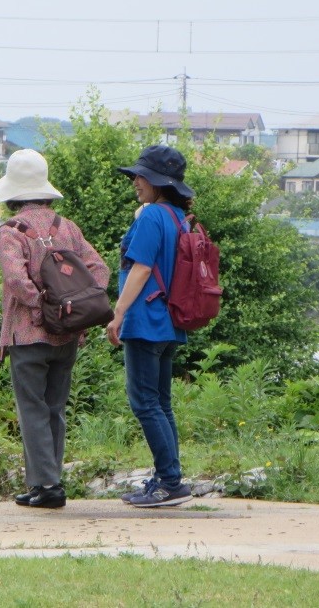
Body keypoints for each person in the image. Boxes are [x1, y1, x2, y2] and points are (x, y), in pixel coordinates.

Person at [0, 149, 110, 509]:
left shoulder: (12, 232)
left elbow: (16, 280)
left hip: (29, 335)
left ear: (14, 193)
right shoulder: (67, 228)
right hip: (67, 333)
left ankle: (47, 485)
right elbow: (100, 270)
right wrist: (70, 308)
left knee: (31, 409)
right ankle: (45, 483)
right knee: (55, 408)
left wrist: (42, 307)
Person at [106, 144, 195, 508]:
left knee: (144, 403)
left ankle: (170, 482)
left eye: (141, 177)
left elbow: (140, 268)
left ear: (158, 182)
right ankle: (167, 478)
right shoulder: (177, 217)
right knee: (161, 403)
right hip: (169, 320)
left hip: (145, 319)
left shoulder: (150, 217)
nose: (135, 182)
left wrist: (118, 313)